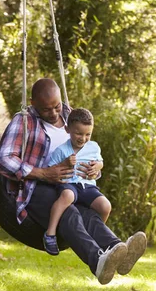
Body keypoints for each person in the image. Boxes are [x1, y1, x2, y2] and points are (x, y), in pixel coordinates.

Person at [0, 78, 146, 285]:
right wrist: (44, 173)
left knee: (89, 214)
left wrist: (93, 171)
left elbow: (87, 151)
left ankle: (117, 249)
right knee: (69, 211)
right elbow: (2, 159)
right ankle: (97, 261)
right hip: (38, 186)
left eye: (57, 106)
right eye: (47, 110)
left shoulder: (70, 116)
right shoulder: (24, 121)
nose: (55, 113)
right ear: (33, 103)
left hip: (73, 185)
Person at [43, 108, 111, 255]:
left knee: (105, 206)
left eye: (88, 134)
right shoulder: (61, 150)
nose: (83, 138)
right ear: (67, 129)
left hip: (87, 186)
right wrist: (65, 163)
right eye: (78, 133)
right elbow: (51, 170)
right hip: (69, 184)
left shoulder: (93, 147)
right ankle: (50, 233)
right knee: (67, 196)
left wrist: (97, 167)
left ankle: (93, 237)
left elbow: (100, 162)